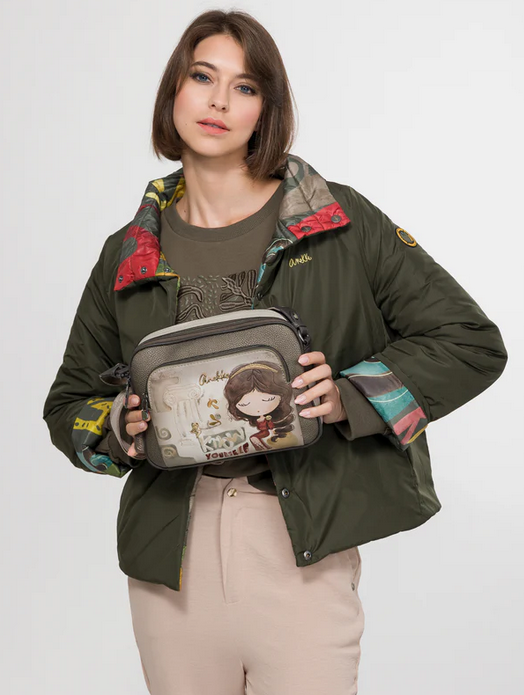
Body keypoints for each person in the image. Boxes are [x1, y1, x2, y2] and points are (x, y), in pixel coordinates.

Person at [42, 9, 508, 695]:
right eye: (202, 77)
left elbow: (470, 342)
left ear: (267, 110)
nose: (219, 102)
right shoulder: (126, 253)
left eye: (245, 87)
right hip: (170, 555)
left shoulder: (339, 222)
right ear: (174, 91)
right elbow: (68, 403)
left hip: (300, 544)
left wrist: (349, 396)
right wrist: (118, 426)